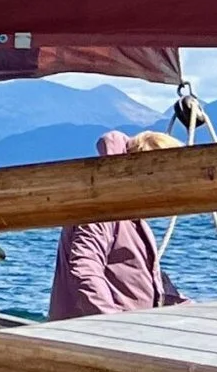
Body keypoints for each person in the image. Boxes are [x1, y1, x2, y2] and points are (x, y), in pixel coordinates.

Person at [47, 130, 189, 319]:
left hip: (126, 329)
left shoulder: (132, 218)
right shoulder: (103, 210)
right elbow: (85, 268)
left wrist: (196, 312)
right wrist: (111, 321)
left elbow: (149, 281)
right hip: (96, 336)